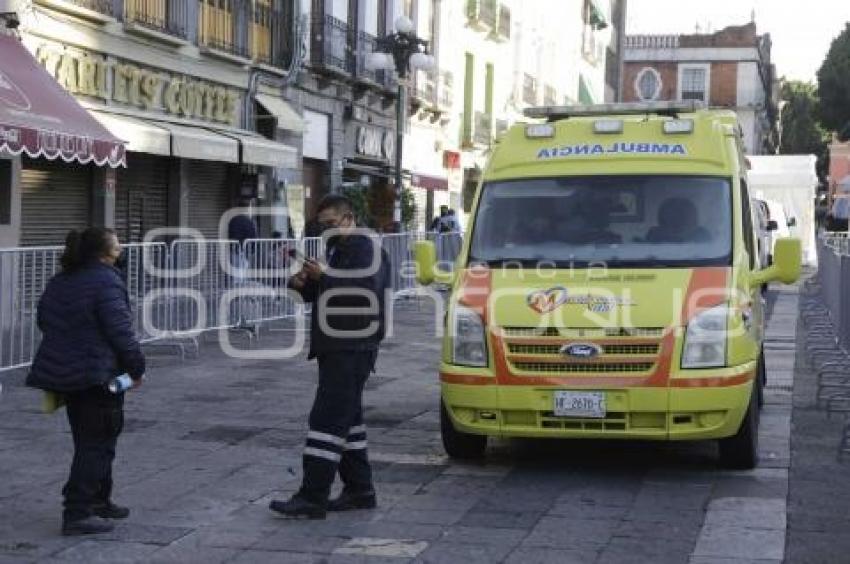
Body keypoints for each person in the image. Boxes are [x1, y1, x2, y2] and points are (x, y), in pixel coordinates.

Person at [269, 194, 390, 520]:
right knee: (348, 420)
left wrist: (326, 278)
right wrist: (300, 284)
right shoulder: (340, 248)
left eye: (330, 224)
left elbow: (362, 291)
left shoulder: (367, 248)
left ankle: (312, 495)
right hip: (337, 345)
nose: (325, 230)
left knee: (326, 421)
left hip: (353, 347)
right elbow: (326, 291)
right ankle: (360, 490)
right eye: (321, 225)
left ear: (349, 218)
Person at [27, 228, 146, 536]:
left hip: (66, 373)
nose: (121, 249)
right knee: (97, 441)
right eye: (117, 245)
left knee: (92, 438)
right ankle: (77, 511)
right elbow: (120, 331)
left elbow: (44, 319)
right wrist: (137, 367)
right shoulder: (107, 281)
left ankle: (99, 499)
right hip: (97, 373)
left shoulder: (62, 279)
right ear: (105, 253)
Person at [645, 197, 711, 243]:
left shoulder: (701, 234)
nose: (678, 218)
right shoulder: (655, 234)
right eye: (673, 215)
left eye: (683, 214)